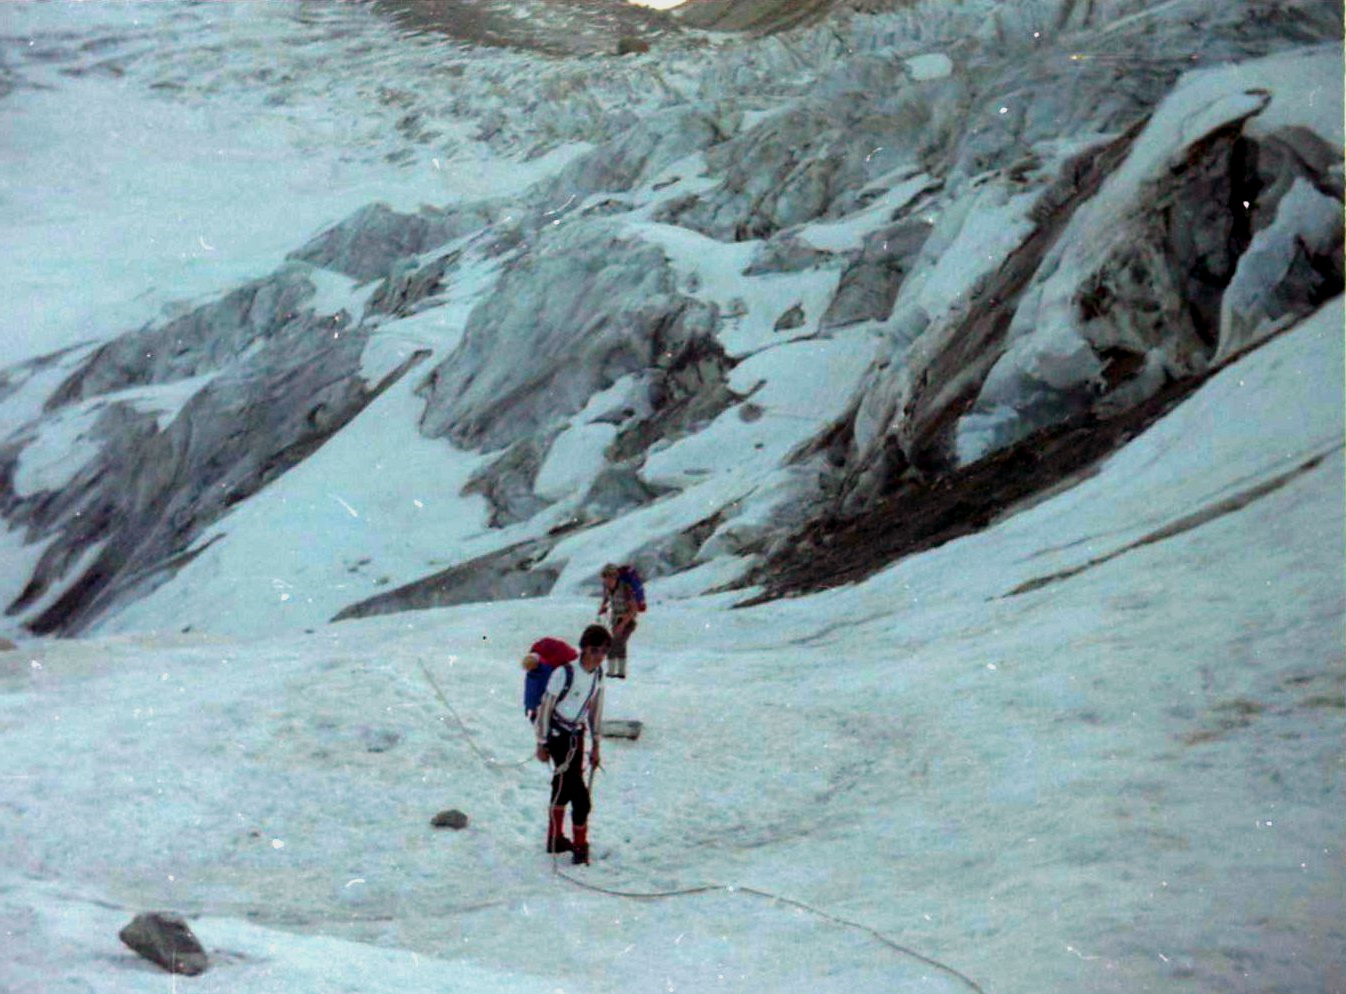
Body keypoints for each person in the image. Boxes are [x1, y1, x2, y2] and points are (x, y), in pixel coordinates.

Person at [534, 624, 609, 864]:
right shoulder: (564, 673)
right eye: (595, 650)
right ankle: (579, 847)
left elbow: (595, 709)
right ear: (585, 649)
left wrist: (596, 744)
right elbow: (546, 707)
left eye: (604, 651)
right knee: (580, 797)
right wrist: (541, 742)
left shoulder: (597, 675)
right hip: (558, 736)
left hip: (577, 735)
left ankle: (555, 839)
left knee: (562, 785)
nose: (600, 656)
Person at [599, 564, 639, 679]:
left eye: (611, 576)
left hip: (627, 619)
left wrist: (622, 624)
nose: (608, 579)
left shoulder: (625, 588)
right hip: (615, 619)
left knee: (617, 643)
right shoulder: (606, 587)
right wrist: (603, 607)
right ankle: (618, 672)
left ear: (615, 576)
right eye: (606, 576)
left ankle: (613, 673)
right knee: (619, 643)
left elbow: (633, 609)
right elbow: (606, 598)